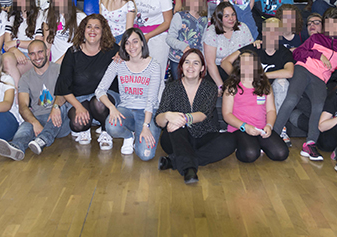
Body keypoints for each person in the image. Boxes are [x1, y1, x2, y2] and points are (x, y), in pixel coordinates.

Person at [156, 49, 237, 184]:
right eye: (187, 62)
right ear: (181, 66)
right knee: (176, 129)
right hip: (177, 139)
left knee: (230, 140)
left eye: (195, 63)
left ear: (202, 68)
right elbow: (158, 120)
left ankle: (176, 160)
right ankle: (189, 169)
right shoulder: (171, 87)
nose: (191, 67)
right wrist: (168, 115)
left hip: (204, 135)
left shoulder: (210, 87)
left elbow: (203, 114)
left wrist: (183, 119)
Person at [291, 7, 337, 160]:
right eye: (309, 24)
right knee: (303, 99)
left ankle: (307, 126)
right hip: (308, 86)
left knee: (327, 102)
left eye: (317, 23)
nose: (313, 26)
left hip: (329, 89)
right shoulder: (309, 41)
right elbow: (297, 56)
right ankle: (301, 121)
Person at [0, 41, 70, 160]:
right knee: (25, 126)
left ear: (47, 52)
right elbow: (23, 106)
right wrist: (35, 123)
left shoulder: (59, 70)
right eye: (32, 54)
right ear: (29, 56)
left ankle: (43, 139)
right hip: (39, 119)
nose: (37, 57)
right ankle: (16, 147)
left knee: (60, 107)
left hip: (61, 122)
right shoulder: (25, 78)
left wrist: (55, 107)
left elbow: (63, 94)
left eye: (40, 52)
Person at [221, 17, 294, 144]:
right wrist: (239, 77)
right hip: (251, 88)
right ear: (264, 33)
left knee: (283, 83)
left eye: (276, 30)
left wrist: (260, 76)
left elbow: (289, 72)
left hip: (269, 91)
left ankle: (278, 126)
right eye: (269, 30)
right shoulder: (254, 48)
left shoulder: (284, 52)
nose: (273, 34)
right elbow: (225, 62)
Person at [54, 14, 120, 149]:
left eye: (97, 27)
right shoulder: (72, 52)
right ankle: (87, 124)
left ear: (103, 31)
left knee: (98, 104)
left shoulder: (113, 50)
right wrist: (78, 107)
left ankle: (105, 129)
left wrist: (124, 56)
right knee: (77, 124)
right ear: (83, 30)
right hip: (80, 98)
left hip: (106, 97)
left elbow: (132, 57)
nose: (92, 31)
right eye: (89, 27)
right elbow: (63, 86)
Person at [97, 28, 162, 161]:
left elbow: (151, 100)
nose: (131, 46)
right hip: (126, 109)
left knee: (146, 155)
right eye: (127, 43)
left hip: (147, 112)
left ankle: (143, 130)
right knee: (111, 126)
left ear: (142, 43)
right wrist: (112, 108)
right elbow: (100, 90)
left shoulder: (154, 66)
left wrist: (146, 126)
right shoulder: (118, 63)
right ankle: (128, 136)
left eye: (135, 42)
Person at [222, 49, 289, 163]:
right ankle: (240, 145)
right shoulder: (232, 87)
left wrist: (269, 126)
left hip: (261, 128)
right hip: (240, 128)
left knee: (281, 153)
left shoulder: (265, 85)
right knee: (250, 154)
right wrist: (244, 126)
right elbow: (227, 114)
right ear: (239, 66)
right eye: (244, 62)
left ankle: (258, 144)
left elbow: (271, 110)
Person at [134, 0, 173, 81]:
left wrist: (148, 36)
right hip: (136, 34)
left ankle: (158, 99)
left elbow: (168, 22)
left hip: (157, 35)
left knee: (156, 75)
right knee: (136, 73)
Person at [203, 1, 255, 90]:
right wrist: (220, 86)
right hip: (217, 69)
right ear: (219, 18)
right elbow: (210, 63)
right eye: (226, 16)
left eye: (233, 15)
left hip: (239, 69)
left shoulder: (243, 28)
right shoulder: (211, 32)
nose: (231, 18)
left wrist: (230, 59)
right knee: (208, 89)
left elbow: (250, 53)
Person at [2, 0, 44, 86]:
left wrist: (17, 43)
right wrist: (15, 50)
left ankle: (15, 99)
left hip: (32, 55)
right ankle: (16, 99)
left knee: (11, 74)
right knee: (6, 59)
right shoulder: (12, 16)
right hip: (14, 54)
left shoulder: (39, 14)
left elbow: (37, 43)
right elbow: (7, 45)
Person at [166, 0, 208, 79]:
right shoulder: (179, 16)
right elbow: (169, 38)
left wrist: (204, 60)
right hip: (178, 60)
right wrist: (183, 46)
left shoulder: (204, 19)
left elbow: (203, 42)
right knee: (179, 88)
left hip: (196, 61)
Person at [43, 0, 86, 64]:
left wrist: (58, 64)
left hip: (73, 59)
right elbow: (47, 41)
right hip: (54, 61)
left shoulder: (80, 17)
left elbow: (79, 45)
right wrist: (46, 63)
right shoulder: (48, 14)